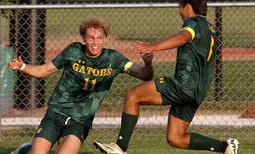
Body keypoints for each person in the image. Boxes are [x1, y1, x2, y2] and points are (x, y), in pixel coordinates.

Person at [93, 0, 239, 154]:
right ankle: (225, 147)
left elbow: (184, 37)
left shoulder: (193, 23)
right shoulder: (210, 28)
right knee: (175, 137)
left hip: (183, 85)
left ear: (187, 6)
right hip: (198, 91)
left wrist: (152, 46)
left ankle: (120, 148)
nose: (179, 10)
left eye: (179, 6)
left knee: (133, 95)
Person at [9, 17, 153, 154]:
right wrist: (22, 66)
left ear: (104, 38)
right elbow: (44, 70)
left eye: (99, 38)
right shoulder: (74, 51)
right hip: (56, 113)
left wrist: (147, 63)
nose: (95, 42)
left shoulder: (114, 59)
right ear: (84, 38)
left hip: (80, 121)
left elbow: (145, 75)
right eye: (91, 38)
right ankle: (24, 150)